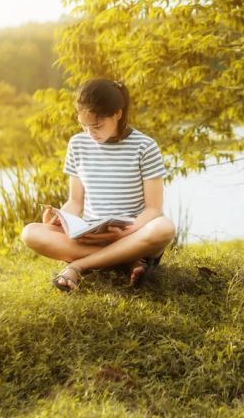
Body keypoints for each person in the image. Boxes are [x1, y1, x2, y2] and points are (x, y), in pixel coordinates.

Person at [21, 78, 176, 292]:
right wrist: (63, 218)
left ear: (117, 114)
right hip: (93, 237)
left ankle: (79, 265)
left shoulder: (145, 146)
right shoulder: (78, 144)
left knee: (164, 227)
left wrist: (126, 232)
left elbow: (153, 209)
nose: (90, 133)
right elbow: (75, 201)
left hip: (132, 235)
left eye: (96, 125)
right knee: (30, 232)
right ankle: (127, 260)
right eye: (84, 125)